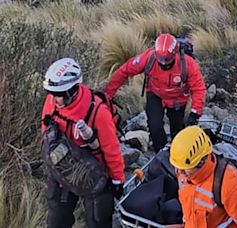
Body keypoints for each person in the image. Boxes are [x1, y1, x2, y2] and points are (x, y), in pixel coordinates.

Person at [41, 58, 125, 228]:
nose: (55, 99)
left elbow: (111, 148)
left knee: (98, 221)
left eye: (60, 95)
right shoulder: (52, 101)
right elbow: (46, 130)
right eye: (52, 93)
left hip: (95, 174)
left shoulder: (97, 112)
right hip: (63, 168)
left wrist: (118, 180)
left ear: (73, 90)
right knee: (57, 220)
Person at [104, 33, 206, 153]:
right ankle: (160, 152)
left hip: (177, 99)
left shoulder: (188, 64)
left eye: (166, 60)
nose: (163, 63)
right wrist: (107, 95)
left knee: (177, 130)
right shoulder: (148, 58)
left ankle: (178, 154)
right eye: (160, 60)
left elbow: (198, 88)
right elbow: (124, 71)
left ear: (174, 54)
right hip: (155, 94)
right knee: (155, 126)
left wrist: (195, 113)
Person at [169, 126, 237, 228]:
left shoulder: (227, 183)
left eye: (184, 168)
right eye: (177, 167)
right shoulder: (184, 172)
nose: (179, 172)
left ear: (201, 161)